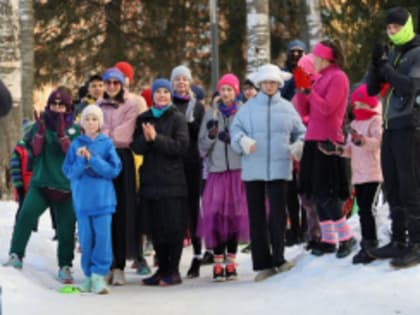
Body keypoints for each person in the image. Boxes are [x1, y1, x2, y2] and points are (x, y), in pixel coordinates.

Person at [231, 64, 306, 281]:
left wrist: (298, 145)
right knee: (257, 217)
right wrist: (242, 141)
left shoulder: (288, 107)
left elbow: (301, 132)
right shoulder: (248, 108)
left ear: (279, 84)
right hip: (253, 168)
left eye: (273, 82)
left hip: (280, 168)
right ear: (260, 84)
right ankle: (262, 264)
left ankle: (279, 259)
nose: (269, 86)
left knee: (278, 215)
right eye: (266, 83)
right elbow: (235, 131)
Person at [3, 89, 80, 284]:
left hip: (65, 187)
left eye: (61, 105)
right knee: (26, 215)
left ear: (68, 107)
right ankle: (16, 255)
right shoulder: (40, 125)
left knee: (66, 229)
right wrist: (39, 134)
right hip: (41, 183)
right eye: (53, 105)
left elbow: (72, 155)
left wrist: (62, 135)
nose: (57, 109)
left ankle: (65, 266)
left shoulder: (76, 129)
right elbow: (33, 152)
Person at [366, 7, 420, 268]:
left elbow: (410, 86)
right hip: (389, 125)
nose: (392, 31)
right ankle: (398, 239)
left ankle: (417, 243)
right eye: (389, 28)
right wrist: (376, 65)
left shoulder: (417, 52)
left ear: (407, 25)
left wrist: (386, 67)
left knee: (410, 186)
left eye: (396, 27)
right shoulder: (394, 53)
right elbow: (370, 89)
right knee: (393, 185)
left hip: (410, 126)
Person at [294, 39, 355, 258]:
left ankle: (346, 237)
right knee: (317, 193)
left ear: (327, 58)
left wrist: (310, 90)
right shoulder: (320, 77)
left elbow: (329, 108)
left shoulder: (338, 77)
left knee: (327, 194)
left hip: (328, 141)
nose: (314, 60)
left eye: (317, 57)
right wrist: (302, 91)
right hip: (313, 138)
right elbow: (306, 111)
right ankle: (329, 239)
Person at [131, 78, 189, 286]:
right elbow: (136, 147)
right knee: (155, 229)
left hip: (172, 182)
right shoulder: (144, 118)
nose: (162, 95)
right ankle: (161, 270)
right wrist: (146, 140)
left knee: (172, 228)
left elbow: (181, 147)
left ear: (170, 94)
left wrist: (157, 138)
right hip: (150, 181)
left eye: (165, 91)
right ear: (152, 95)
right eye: (158, 92)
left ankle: (172, 271)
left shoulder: (177, 117)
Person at [319, 84, 383, 264]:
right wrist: (336, 149)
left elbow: (378, 143)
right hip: (358, 175)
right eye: (356, 104)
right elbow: (350, 150)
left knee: (367, 209)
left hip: (373, 172)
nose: (359, 107)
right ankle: (367, 242)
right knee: (362, 209)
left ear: (370, 103)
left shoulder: (376, 121)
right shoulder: (354, 124)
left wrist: (362, 140)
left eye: (363, 104)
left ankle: (371, 243)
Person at [63, 105, 121, 294]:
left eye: (94, 119)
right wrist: (81, 161)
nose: (90, 122)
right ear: (82, 122)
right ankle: (88, 276)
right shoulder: (75, 144)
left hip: (103, 201)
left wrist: (93, 160)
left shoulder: (107, 143)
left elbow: (114, 170)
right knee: (86, 240)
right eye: (87, 119)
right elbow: (69, 172)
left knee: (102, 239)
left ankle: (98, 276)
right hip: (82, 202)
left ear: (100, 123)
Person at [197, 73, 248, 282]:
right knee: (217, 217)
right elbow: (201, 147)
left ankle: (231, 262)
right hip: (217, 173)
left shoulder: (243, 113)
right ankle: (218, 262)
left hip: (237, 173)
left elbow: (247, 143)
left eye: (229, 89)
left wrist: (233, 141)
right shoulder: (211, 114)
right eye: (222, 89)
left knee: (234, 218)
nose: (226, 93)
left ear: (236, 92)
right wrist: (211, 136)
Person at [98, 67, 140, 285]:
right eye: (108, 83)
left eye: (116, 83)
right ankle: (107, 263)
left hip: (122, 158)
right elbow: (92, 128)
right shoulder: (97, 106)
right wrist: (106, 134)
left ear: (122, 84)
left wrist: (105, 133)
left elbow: (126, 133)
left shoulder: (131, 104)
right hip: (102, 159)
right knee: (105, 212)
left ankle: (121, 265)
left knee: (123, 212)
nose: (112, 87)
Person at [170, 65, 205, 278]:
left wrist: (191, 124)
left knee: (193, 211)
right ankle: (171, 259)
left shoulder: (197, 106)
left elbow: (200, 136)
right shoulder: (168, 105)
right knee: (174, 212)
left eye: (185, 79)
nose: (181, 83)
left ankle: (197, 256)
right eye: (177, 80)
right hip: (173, 165)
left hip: (192, 163)